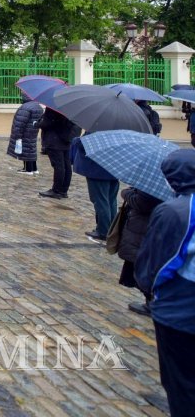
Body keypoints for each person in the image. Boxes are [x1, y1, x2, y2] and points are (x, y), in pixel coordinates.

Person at [135, 148, 195, 415]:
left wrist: (150, 289)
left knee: (180, 381)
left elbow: (156, 261)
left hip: (180, 308)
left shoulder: (174, 210)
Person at [117, 186, 163, 316]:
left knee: (143, 265)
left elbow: (142, 202)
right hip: (150, 226)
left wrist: (126, 193)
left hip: (144, 227)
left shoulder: (154, 181)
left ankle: (151, 301)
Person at [72, 135, 119, 242]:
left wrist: (76, 140)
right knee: (111, 200)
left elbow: (86, 143)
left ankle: (103, 231)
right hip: (113, 168)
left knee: (101, 200)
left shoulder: (100, 125)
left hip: (98, 170)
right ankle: (110, 229)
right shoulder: (119, 126)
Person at [39, 108, 80, 199]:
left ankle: (56, 190)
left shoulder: (54, 107)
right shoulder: (71, 106)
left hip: (54, 139)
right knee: (66, 165)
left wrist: (37, 123)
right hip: (66, 138)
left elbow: (47, 123)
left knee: (59, 166)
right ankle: (63, 190)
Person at [6, 95, 44, 175]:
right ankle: (34, 168)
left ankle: (28, 169)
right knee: (31, 149)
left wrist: (17, 135)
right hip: (33, 131)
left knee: (26, 150)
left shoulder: (25, 107)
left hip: (25, 132)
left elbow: (20, 122)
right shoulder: (38, 107)